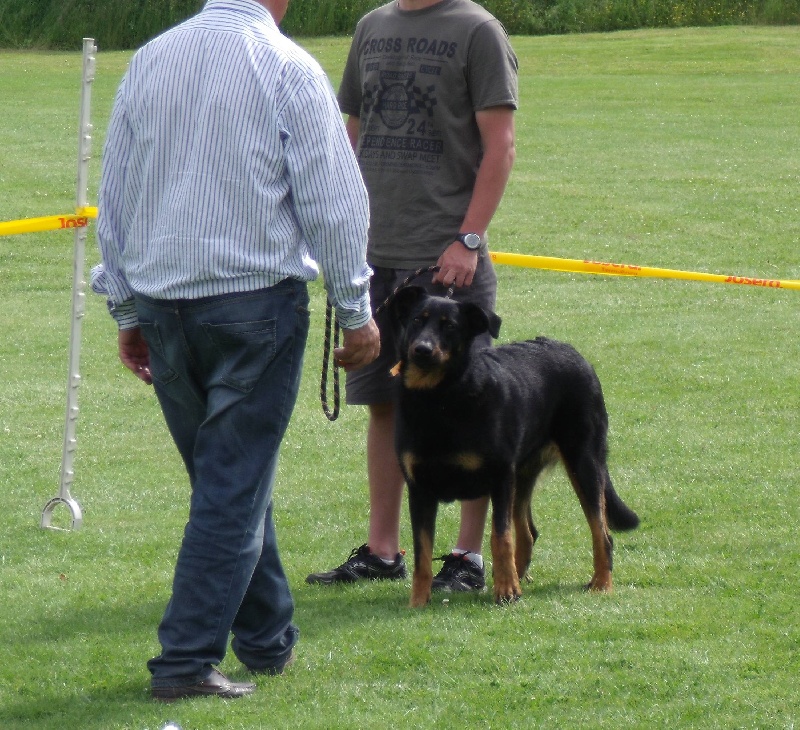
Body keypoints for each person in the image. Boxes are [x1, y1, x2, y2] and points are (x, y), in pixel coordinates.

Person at [96, 0, 380, 702]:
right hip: (253, 302)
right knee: (231, 485)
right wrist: (356, 309)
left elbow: (117, 194)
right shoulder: (286, 64)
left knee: (229, 478)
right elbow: (334, 199)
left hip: (165, 303)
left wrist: (125, 306)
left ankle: (267, 638)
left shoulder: (151, 59)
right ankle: (186, 662)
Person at [306, 0, 518, 592]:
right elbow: (351, 134)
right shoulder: (372, 27)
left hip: (445, 257)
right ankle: (383, 549)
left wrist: (468, 239)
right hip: (375, 253)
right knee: (383, 403)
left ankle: (467, 558)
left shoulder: (478, 30)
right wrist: (340, 227)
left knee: (473, 405)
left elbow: (499, 145)